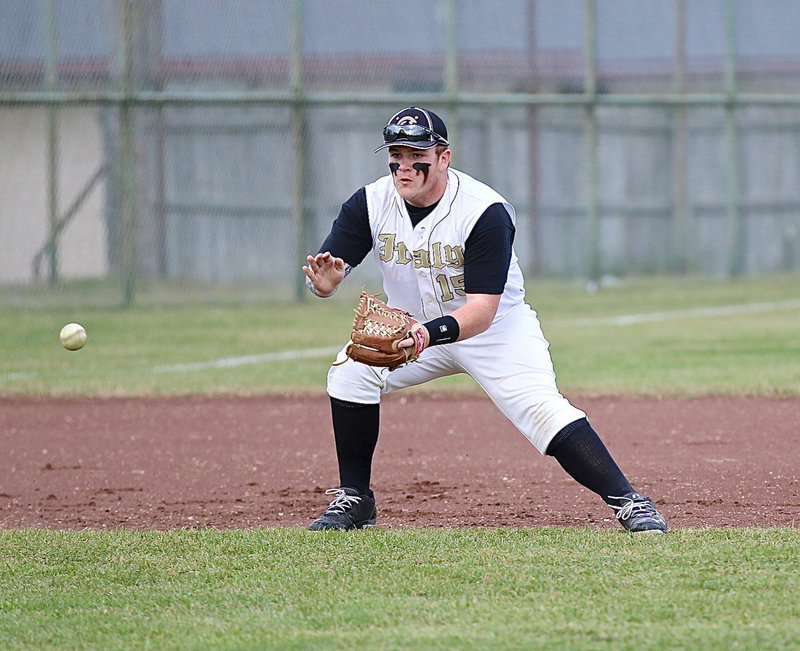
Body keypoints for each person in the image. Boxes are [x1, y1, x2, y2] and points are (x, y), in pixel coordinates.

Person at [301, 107, 667, 534]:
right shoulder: (370, 202)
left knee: (541, 410)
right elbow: (330, 270)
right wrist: (324, 286)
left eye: (416, 153)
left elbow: (482, 311)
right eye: (395, 153)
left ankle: (629, 501)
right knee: (350, 372)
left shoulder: (483, 211)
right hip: (410, 331)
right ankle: (356, 499)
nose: (404, 164)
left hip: (495, 332)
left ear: (443, 157)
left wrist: (425, 335)